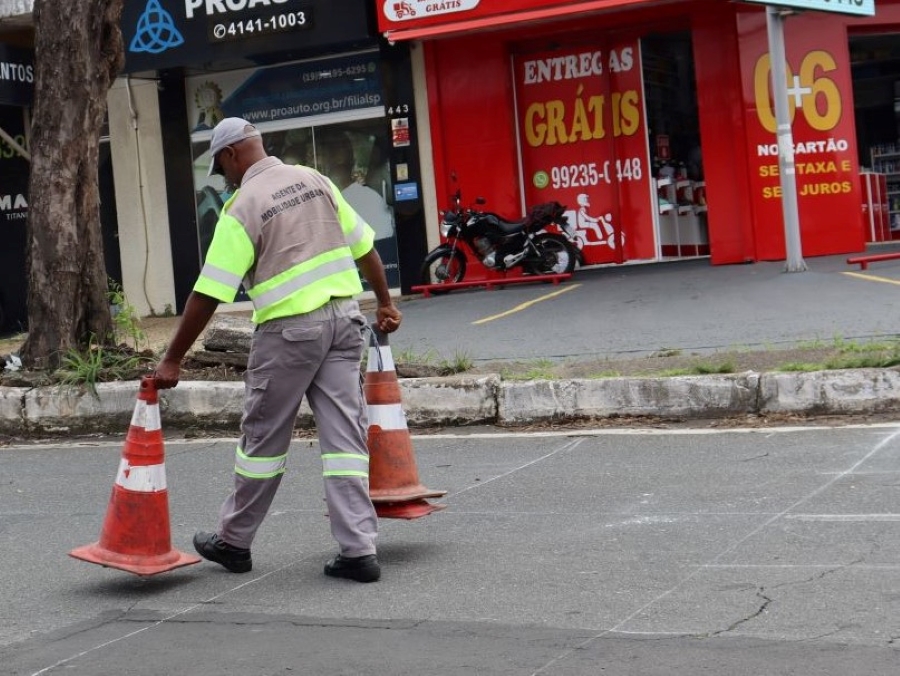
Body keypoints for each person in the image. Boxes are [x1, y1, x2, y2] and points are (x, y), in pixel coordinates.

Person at [153, 117, 402, 583]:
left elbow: (209, 292)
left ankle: (234, 541)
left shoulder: (241, 205)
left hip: (290, 334)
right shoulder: (315, 179)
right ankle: (358, 550)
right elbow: (365, 246)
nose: (224, 177)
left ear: (230, 155)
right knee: (345, 440)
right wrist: (385, 303)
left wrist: (173, 357)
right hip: (345, 323)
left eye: (222, 167)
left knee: (262, 442)